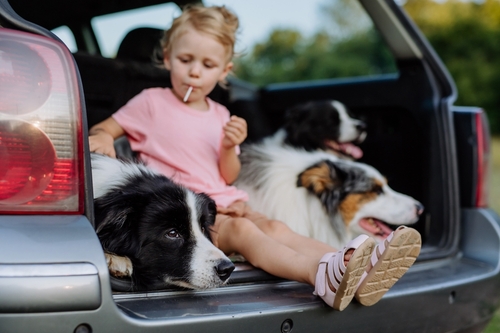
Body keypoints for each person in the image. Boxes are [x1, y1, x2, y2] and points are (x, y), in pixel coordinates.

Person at [88, 4, 421, 311]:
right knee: (249, 237)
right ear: (166, 57)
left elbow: (228, 174)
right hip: (189, 213)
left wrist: (229, 148)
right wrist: (102, 136)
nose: (193, 72)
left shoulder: (219, 114)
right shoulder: (151, 102)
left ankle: (351, 267)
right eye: (185, 60)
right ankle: (319, 276)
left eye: (207, 65)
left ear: (224, 71)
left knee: (277, 227)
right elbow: (103, 130)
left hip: (222, 203)